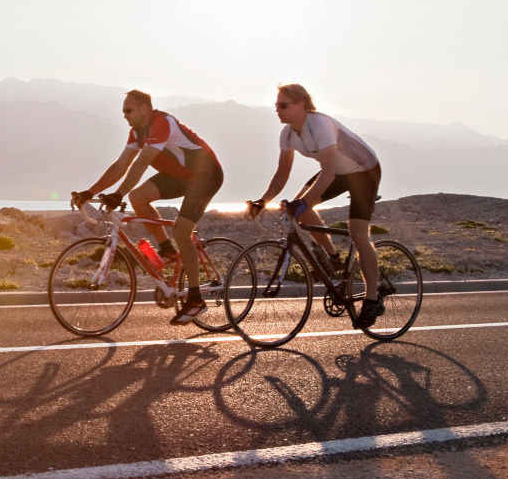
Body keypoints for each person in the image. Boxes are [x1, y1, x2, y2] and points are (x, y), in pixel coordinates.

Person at [71, 90, 224, 325]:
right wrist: (89, 192)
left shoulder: (163, 123)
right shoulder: (136, 133)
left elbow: (141, 163)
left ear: (145, 108)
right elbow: (121, 166)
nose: (124, 116)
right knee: (138, 197)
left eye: (128, 110)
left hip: (206, 174)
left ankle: (195, 300)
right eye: (122, 111)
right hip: (181, 176)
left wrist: (116, 195)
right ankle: (168, 250)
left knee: (182, 231)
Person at [245, 83, 385, 329]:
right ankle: (333, 258)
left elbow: (328, 173)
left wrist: (304, 202)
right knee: (297, 208)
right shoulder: (288, 134)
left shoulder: (320, 125)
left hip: (364, 172)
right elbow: (282, 173)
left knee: (358, 233)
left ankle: (373, 298)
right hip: (337, 174)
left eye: (283, 105)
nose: (277, 110)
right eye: (276, 105)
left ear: (301, 104)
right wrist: (262, 200)